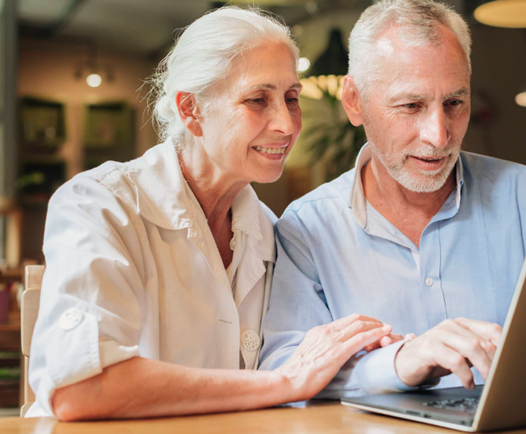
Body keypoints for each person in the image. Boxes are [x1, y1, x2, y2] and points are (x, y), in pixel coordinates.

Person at [27, 7, 396, 421]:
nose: (287, 125)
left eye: (291, 98)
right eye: (257, 99)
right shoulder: (100, 204)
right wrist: (285, 382)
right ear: (191, 111)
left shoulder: (273, 232)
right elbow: (80, 389)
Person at [259, 0, 526, 396]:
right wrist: (398, 363)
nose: (439, 136)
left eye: (454, 103)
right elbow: (282, 368)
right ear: (354, 102)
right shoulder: (308, 227)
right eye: (411, 106)